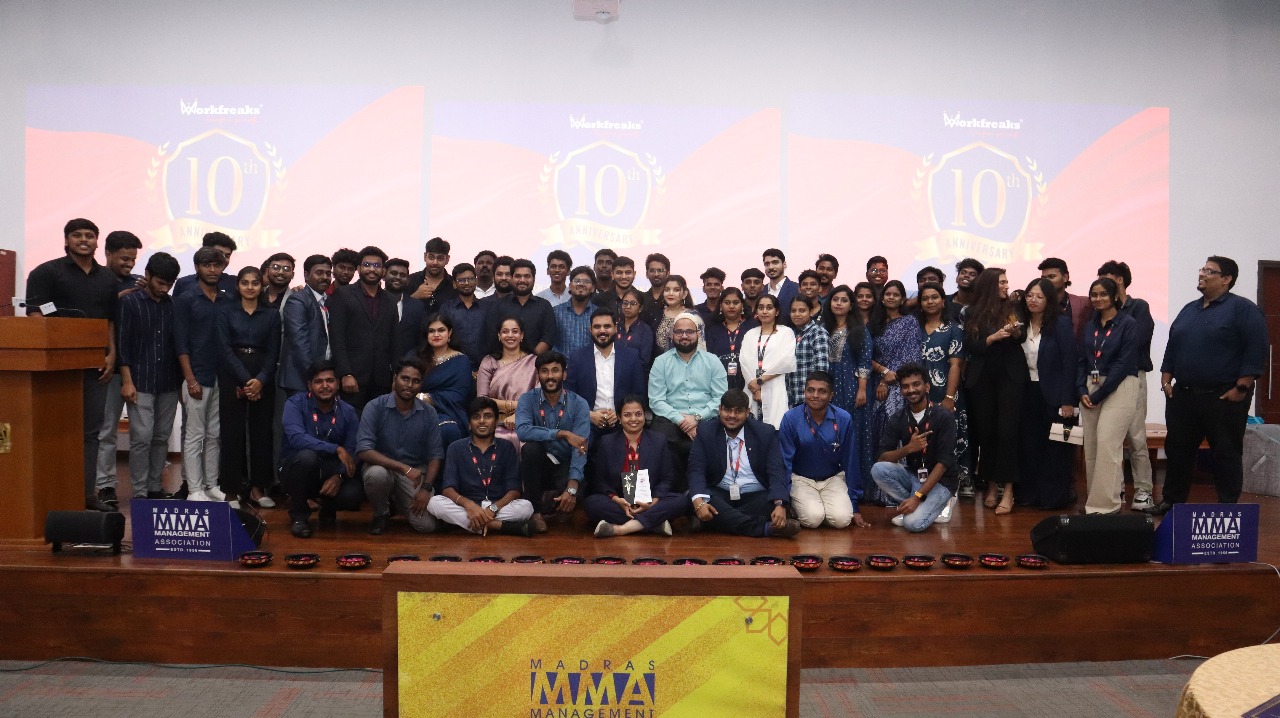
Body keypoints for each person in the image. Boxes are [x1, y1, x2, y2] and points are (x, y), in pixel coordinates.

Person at [1151, 256, 1268, 515]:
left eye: (1209, 271)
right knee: (1177, 451)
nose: (1202, 274)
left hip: (1223, 397)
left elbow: (1255, 350)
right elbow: (1173, 345)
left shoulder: (1243, 309)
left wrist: (1241, 388)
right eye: (1202, 269)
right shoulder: (1189, 309)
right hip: (1184, 396)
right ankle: (1172, 502)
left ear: (1226, 279)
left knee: (1226, 453)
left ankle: (1227, 507)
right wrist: (1166, 379)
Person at [25, 218, 121, 511]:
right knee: (53, 430)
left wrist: (111, 354)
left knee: (91, 432)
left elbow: (109, 321)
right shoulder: (46, 272)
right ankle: (50, 494)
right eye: (77, 235)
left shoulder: (108, 279)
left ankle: (86, 495)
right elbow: (36, 316)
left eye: (89, 235)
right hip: (56, 370)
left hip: (95, 366)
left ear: (97, 242)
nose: (83, 240)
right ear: (66, 240)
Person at [688, 390, 800, 538]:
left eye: (738, 411)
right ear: (720, 409)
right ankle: (765, 529)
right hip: (721, 493)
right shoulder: (706, 431)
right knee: (695, 497)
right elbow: (696, 469)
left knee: (769, 503)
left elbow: (776, 471)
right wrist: (699, 502)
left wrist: (780, 504)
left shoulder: (765, 432)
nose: (732, 416)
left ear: (748, 412)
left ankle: (713, 522)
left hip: (755, 496)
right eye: (727, 410)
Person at [116, 253, 182, 500]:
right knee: (142, 438)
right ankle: (140, 491)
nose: (164, 289)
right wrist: (127, 381)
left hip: (168, 381)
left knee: (161, 437)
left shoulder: (173, 305)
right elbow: (122, 344)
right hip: (139, 380)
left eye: (169, 284)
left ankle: (155, 487)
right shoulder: (129, 302)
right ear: (147, 275)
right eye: (160, 283)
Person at [216, 266, 281, 507]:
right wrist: (246, 380)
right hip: (233, 375)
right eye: (245, 282)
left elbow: (274, 351)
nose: (250, 287)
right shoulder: (226, 311)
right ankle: (231, 491)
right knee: (232, 433)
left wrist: (260, 380)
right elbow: (224, 349)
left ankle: (258, 489)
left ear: (261, 286)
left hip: (263, 376)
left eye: (255, 283)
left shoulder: (272, 314)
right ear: (238, 286)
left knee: (261, 433)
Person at [963, 268, 1026, 515]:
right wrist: (993, 338)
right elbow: (971, 345)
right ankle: (990, 485)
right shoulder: (972, 312)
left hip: (1011, 378)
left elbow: (1021, 337)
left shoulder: (1013, 307)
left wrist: (1015, 332)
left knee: (1007, 433)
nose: (1006, 285)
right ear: (990, 285)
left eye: (1007, 282)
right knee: (986, 433)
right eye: (1002, 282)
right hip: (982, 379)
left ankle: (1008, 490)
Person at [356, 359, 443, 534]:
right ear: (395, 378)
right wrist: (403, 468)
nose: (409, 385)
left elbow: (435, 455)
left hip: (414, 475)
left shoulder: (429, 412)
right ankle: (381, 513)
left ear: (421, 384)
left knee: (427, 526)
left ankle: (398, 503)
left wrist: (426, 488)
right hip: (382, 468)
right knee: (376, 475)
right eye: (405, 378)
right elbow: (364, 450)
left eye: (416, 381)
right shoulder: (375, 406)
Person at [427, 397, 535, 536]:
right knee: (435, 503)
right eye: (476, 417)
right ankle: (498, 526)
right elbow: (448, 489)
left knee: (526, 507)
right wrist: (470, 506)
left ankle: (477, 524)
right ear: (469, 424)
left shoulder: (507, 447)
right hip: (467, 508)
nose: (482, 421)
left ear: (496, 422)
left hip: (498, 507)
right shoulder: (455, 448)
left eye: (488, 416)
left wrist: (493, 508)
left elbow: (514, 490)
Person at [279, 360, 363, 538]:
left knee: (353, 494)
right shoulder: (295, 404)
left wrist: (339, 476)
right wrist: (335, 448)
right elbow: (297, 439)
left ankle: (328, 507)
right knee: (307, 457)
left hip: (329, 471)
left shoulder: (348, 411)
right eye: (318, 381)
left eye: (330, 381)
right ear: (309, 385)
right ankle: (299, 517)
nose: (325, 386)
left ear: (338, 384)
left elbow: (352, 450)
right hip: (296, 470)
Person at [1098, 259, 1157, 510]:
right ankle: (1116, 487)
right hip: (1104, 378)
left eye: (1106, 280)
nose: (1101, 289)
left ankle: (1143, 490)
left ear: (1119, 280)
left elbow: (1136, 341)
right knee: (1108, 437)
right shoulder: (1100, 311)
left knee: (1136, 436)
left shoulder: (1138, 307)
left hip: (1132, 376)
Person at [174, 247, 233, 503]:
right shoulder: (186, 299)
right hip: (197, 376)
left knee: (215, 435)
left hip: (222, 376)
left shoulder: (227, 299)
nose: (212, 270)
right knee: (194, 435)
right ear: (197, 267)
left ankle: (211, 484)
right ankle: (194, 489)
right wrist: (190, 379)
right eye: (206, 265)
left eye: (216, 265)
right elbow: (181, 343)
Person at [1078, 278, 1140, 515]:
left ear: (1115, 296)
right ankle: (1095, 502)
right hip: (1091, 386)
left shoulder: (1128, 324)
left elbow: (1124, 363)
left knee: (1107, 443)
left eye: (1103, 294)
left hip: (1120, 385)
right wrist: (1082, 390)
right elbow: (1082, 359)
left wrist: (1100, 394)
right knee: (1092, 447)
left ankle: (1106, 506)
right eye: (1094, 294)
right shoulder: (1090, 325)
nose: (1098, 299)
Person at [871, 363, 960, 531]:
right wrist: (908, 449)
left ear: (927, 387)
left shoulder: (943, 417)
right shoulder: (898, 418)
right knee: (878, 470)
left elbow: (943, 464)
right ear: (901, 391)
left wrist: (917, 497)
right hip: (915, 476)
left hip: (942, 480)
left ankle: (940, 502)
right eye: (905, 386)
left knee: (913, 524)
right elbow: (882, 457)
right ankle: (915, 506)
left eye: (916, 384)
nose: (911, 390)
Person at [585, 395, 688, 537]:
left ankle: (621, 529)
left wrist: (652, 502)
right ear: (619, 418)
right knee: (592, 503)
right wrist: (617, 500)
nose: (633, 419)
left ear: (645, 416)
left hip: (651, 500)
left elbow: (667, 478)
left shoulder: (659, 440)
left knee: (681, 501)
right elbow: (601, 481)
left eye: (638, 414)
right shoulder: (607, 442)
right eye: (627, 415)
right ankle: (653, 523)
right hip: (621, 501)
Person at [92, 230, 145, 508]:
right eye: (124, 258)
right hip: (108, 369)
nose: (129, 264)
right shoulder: (98, 281)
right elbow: (98, 315)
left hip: (139, 368)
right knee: (107, 430)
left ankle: (144, 488)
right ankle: (105, 485)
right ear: (108, 253)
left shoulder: (139, 283)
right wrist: (121, 296)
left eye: (133, 259)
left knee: (144, 434)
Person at [1017, 278, 1079, 510]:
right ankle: (1031, 494)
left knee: (1056, 448)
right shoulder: (1019, 324)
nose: (1033, 300)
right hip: (1027, 392)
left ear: (1049, 300)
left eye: (1039, 296)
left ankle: (1053, 497)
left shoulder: (1060, 323)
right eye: (1029, 295)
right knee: (1030, 445)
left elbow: (1069, 362)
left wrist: (1068, 400)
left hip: (1055, 394)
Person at [778, 372, 866, 529]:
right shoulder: (790, 418)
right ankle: (803, 507)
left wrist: (855, 506)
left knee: (842, 520)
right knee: (813, 519)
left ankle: (821, 507)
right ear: (804, 392)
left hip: (832, 479)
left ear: (831, 395)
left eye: (822, 391)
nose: (815, 395)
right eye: (810, 390)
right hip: (801, 479)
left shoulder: (843, 419)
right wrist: (783, 502)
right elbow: (785, 462)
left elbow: (850, 461)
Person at [515, 351, 591, 532]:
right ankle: (535, 512)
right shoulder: (527, 399)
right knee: (530, 449)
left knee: (574, 497)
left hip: (565, 462)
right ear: (538, 375)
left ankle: (560, 504)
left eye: (555, 370)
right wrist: (562, 434)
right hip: (540, 465)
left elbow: (580, 447)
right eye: (544, 371)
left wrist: (572, 488)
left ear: (564, 374)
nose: (550, 376)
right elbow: (523, 431)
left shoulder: (579, 404)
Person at [648, 313, 728, 476]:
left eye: (689, 332)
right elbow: (656, 401)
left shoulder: (712, 361)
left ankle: (706, 485)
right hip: (671, 419)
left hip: (706, 417)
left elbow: (721, 398)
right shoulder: (660, 362)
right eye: (679, 332)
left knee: (711, 435)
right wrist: (681, 420)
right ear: (672, 335)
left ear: (698, 334)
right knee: (661, 438)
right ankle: (677, 487)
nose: (684, 336)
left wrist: (697, 417)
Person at [869, 280, 922, 503]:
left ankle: (898, 495)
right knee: (878, 432)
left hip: (901, 387)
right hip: (876, 384)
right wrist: (882, 373)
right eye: (887, 294)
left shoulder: (910, 322)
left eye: (896, 294)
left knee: (897, 432)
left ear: (903, 299)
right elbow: (865, 355)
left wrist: (891, 378)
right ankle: (877, 491)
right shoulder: (875, 324)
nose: (891, 297)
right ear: (882, 298)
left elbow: (911, 357)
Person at [328, 246, 398, 413]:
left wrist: (396, 375)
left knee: (379, 423)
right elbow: (337, 338)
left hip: (382, 379)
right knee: (352, 422)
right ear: (359, 268)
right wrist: (345, 373)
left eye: (377, 265)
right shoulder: (343, 294)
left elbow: (394, 340)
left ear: (383, 271)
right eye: (367, 265)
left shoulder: (391, 300)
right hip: (353, 377)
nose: (371, 269)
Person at [565, 308, 646, 446]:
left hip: (622, 421)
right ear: (590, 330)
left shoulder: (631, 356)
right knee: (581, 446)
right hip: (589, 421)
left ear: (615, 328)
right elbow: (568, 395)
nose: (602, 331)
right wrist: (588, 415)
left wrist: (621, 414)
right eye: (597, 327)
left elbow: (639, 393)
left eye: (607, 326)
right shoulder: (577, 358)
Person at [916, 282, 969, 485]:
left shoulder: (954, 329)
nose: (930, 301)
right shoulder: (914, 329)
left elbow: (956, 365)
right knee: (922, 439)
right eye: (925, 298)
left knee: (950, 438)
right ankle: (923, 484)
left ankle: (955, 484)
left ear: (943, 301)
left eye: (934, 297)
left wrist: (949, 397)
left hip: (946, 392)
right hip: (918, 394)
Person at [476, 317, 538, 452]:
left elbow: (538, 399)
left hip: (527, 420)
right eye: (505, 331)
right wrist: (513, 405)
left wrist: (518, 415)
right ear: (499, 335)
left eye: (515, 331)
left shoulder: (534, 362)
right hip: (494, 421)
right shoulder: (489, 362)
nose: (510, 335)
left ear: (522, 335)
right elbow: (482, 399)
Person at [413, 313, 473, 446]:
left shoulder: (461, 361)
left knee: (448, 429)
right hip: (415, 408)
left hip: (448, 411)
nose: (436, 335)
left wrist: (424, 397)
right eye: (431, 331)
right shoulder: (416, 357)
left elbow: (458, 396)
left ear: (450, 333)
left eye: (441, 330)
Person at [278, 255, 333, 397]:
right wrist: (314, 375)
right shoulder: (298, 299)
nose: (325, 277)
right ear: (306, 275)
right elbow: (299, 342)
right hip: (301, 378)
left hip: (321, 377)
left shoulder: (328, 301)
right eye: (319, 273)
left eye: (328, 273)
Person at [742, 294, 796, 428]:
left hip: (775, 385)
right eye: (761, 308)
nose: (764, 311)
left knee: (774, 427)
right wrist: (755, 389)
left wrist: (760, 380)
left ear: (777, 311)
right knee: (753, 428)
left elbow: (787, 362)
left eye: (769, 308)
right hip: (751, 388)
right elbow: (743, 362)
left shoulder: (786, 332)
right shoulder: (750, 334)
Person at [484, 259, 556, 356]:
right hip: (503, 362)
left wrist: (529, 360)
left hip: (536, 362)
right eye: (518, 276)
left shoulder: (544, 306)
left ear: (534, 279)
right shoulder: (497, 306)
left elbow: (548, 338)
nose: (522, 280)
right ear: (511, 278)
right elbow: (492, 337)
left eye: (527, 276)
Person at [704, 287, 758, 392]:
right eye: (727, 303)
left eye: (736, 302)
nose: (731, 306)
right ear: (721, 305)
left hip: (749, 380)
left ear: (742, 305)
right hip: (719, 381)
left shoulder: (752, 326)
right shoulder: (712, 329)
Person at [439, 263, 490, 370]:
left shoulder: (488, 308)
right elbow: (442, 339)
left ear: (476, 281)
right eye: (461, 280)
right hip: (453, 366)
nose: (467, 283)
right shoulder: (446, 308)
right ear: (454, 284)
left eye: (470, 279)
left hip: (483, 368)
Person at [787, 295, 830, 408]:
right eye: (793, 311)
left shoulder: (817, 332)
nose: (797, 314)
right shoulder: (792, 334)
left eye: (802, 311)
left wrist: (815, 395)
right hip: (792, 397)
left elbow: (821, 369)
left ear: (811, 312)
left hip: (810, 400)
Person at [384, 257, 427, 361]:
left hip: (408, 365)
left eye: (402, 275)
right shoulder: (372, 303)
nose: (398, 277)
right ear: (383, 276)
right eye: (393, 273)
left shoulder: (418, 307)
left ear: (408, 281)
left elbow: (422, 340)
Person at [1039, 257, 1090, 342]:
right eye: (1043, 278)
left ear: (1065, 277)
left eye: (1051, 277)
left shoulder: (1082, 303)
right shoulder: (1036, 304)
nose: (1046, 282)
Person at [172, 232, 238, 296]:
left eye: (227, 256)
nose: (223, 259)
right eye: (219, 254)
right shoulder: (183, 283)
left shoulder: (235, 283)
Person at [552, 265, 597, 355]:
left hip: (591, 363)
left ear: (592, 288)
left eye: (586, 282)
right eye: (577, 281)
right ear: (570, 286)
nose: (581, 284)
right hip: (561, 363)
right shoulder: (555, 312)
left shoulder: (598, 314)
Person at [405, 236, 455, 315]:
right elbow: (397, 310)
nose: (435, 262)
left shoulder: (454, 284)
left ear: (447, 259)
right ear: (425, 257)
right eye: (431, 258)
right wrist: (415, 297)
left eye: (440, 259)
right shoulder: (410, 280)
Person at [652, 275, 695, 353]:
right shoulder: (657, 314)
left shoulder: (692, 316)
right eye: (667, 290)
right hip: (659, 359)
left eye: (676, 290)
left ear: (684, 294)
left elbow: (701, 346)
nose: (670, 293)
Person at [615, 287, 655, 368]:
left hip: (636, 372)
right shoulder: (616, 327)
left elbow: (644, 360)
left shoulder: (645, 330)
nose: (628, 306)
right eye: (625, 303)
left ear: (640, 308)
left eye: (633, 304)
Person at [947, 258, 984, 323]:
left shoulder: (982, 306)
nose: (966, 276)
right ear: (957, 278)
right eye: (963, 273)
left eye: (972, 274)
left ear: (979, 281)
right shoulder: (944, 302)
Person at [762, 247, 799, 313]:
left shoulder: (797, 289)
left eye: (775, 262)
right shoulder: (761, 291)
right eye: (767, 264)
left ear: (784, 264)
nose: (771, 267)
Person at [640, 253, 672, 326]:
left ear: (668, 273)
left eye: (660, 270)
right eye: (652, 270)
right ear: (647, 274)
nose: (656, 274)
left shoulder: (673, 299)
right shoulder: (641, 299)